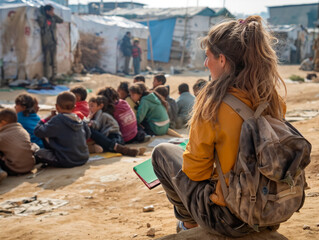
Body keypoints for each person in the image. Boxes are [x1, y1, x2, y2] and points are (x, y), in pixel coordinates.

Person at [151, 16, 287, 237]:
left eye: (208, 57)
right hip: (270, 210)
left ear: (222, 60)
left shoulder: (213, 102)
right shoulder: (271, 97)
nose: (206, 64)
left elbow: (196, 172)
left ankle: (188, 224)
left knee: (162, 152)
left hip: (227, 219)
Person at [34, 91, 90, 168]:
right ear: (74, 107)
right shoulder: (79, 118)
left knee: (39, 152)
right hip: (83, 158)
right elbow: (88, 134)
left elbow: (38, 131)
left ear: (57, 107)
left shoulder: (57, 119)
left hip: (66, 161)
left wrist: (47, 119)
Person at [0, 108, 37, 181]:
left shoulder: (2, 135)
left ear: (3, 122)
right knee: (33, 145)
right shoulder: (23, 131)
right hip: (30, 166)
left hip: (15, 169)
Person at [37, 4, 63, 81]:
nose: (53, 12)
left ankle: (54, 77)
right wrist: (45, 15)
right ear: (47, 11)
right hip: (46, 43)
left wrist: (53, 15)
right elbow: (41, 24)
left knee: (54, 61)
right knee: (47, 61)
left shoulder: (53, 18)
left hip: (53, 41)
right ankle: (47, 77)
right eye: (51, 11)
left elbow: (61, 20)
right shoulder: (42, 18)